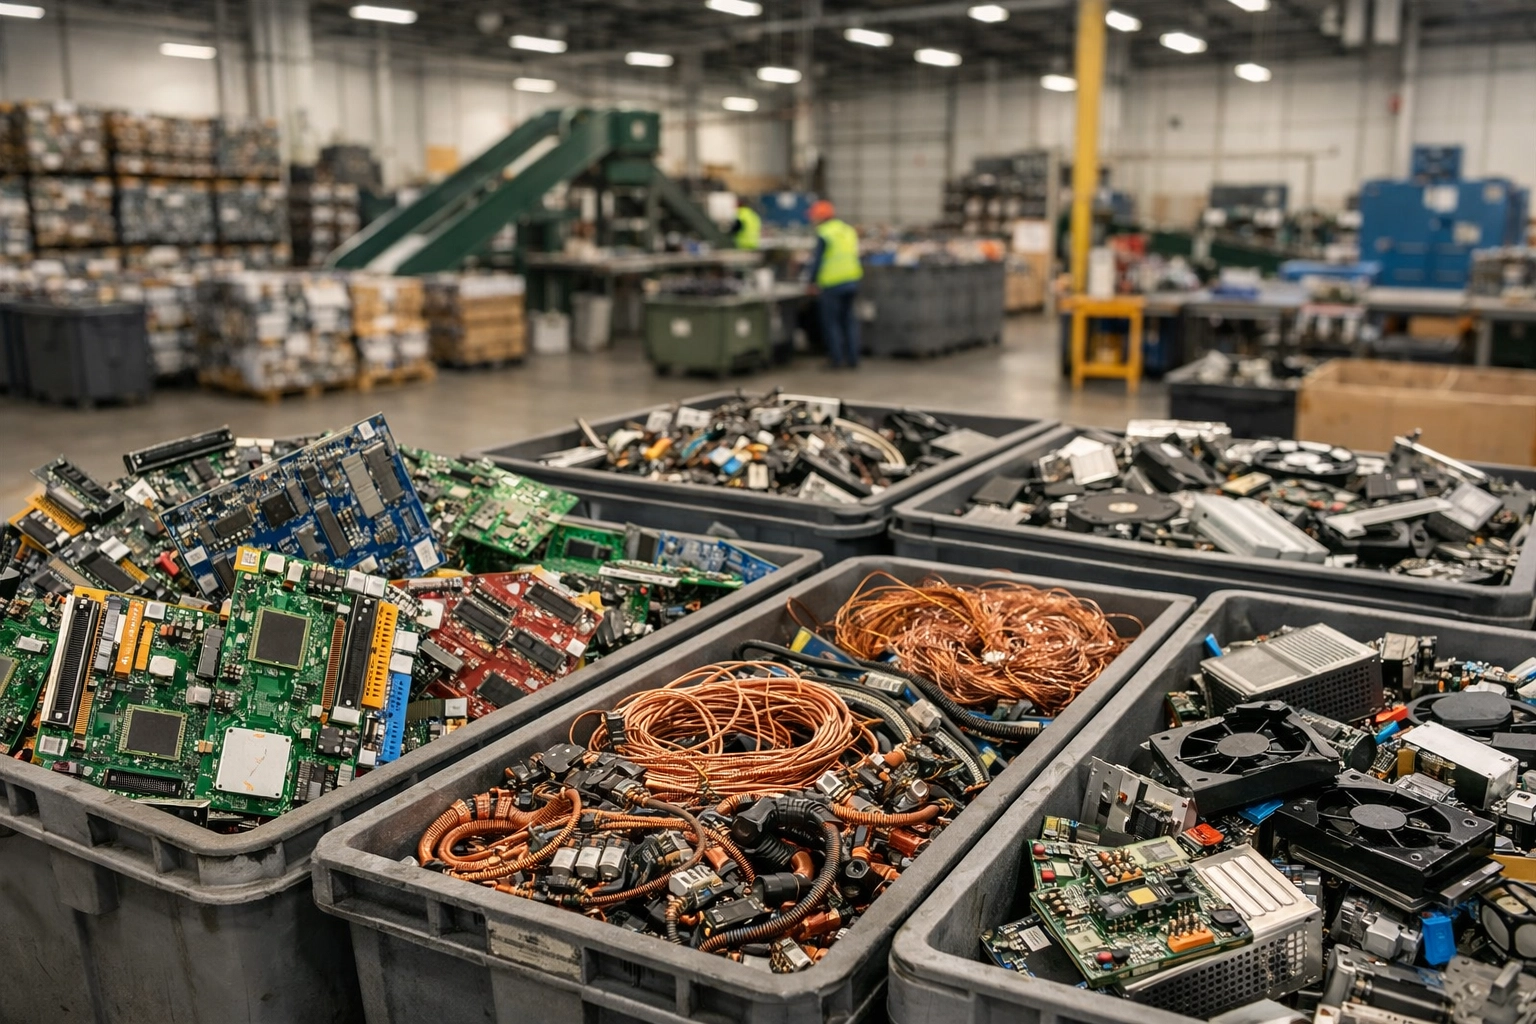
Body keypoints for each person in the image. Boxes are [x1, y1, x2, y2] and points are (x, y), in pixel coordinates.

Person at [806, 199, 863, 369]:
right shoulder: (847, 230)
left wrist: (811, 281)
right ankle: (853, 359)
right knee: (849, 321)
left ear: (821, 217)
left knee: (832, 323)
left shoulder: (824, 233)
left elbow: (816, 261)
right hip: (852, 280)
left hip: (832, 283)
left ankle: (836, 359)